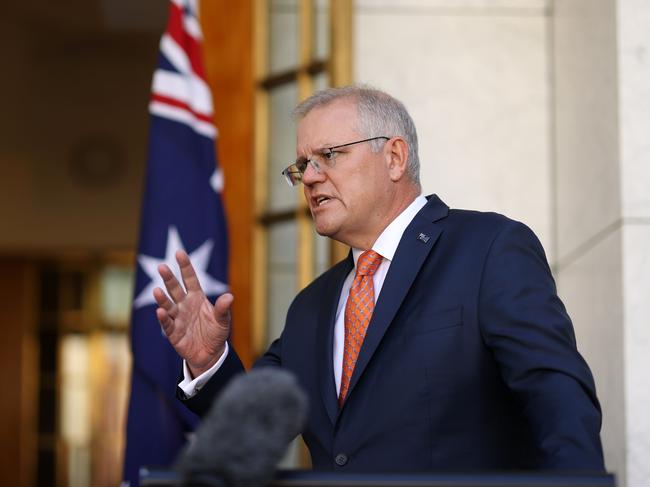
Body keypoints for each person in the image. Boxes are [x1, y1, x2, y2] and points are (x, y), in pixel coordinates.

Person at [153, 86, 605, 472]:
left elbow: (557, 397)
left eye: (328, 156)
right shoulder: (312, 304)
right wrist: (208, 363)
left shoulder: (488, 248)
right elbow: (255, 429)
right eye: (302, 166)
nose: (310, 178)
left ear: (393, 157)